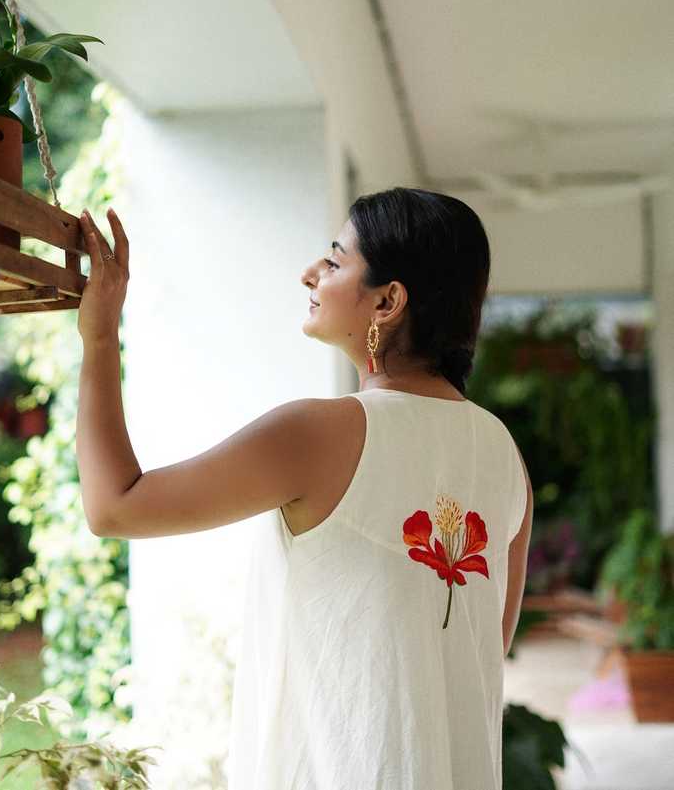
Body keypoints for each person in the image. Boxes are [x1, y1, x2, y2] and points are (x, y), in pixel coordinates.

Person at [75, 186, 533, 790]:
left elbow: (114, 507)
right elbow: (480, 656)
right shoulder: (505, 455)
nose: (310, 273)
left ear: (389, 301)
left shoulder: (320, 434)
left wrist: (99, 337)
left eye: (335, 260)